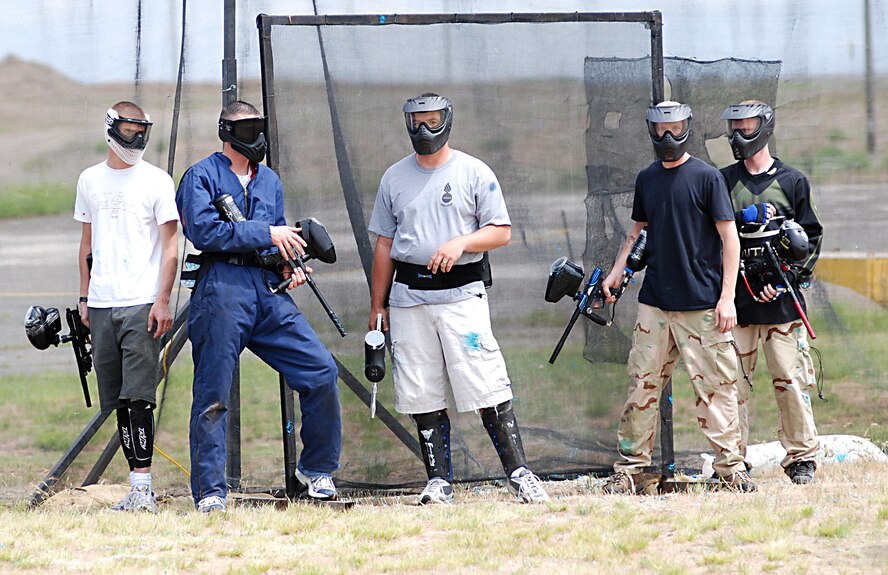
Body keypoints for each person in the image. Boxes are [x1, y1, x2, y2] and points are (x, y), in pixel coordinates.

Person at [368, 93, 549, 505]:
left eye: (432, 121)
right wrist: (377, 305)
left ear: (447, 121)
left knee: (486, 383)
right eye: (415, 122)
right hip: (408, 298)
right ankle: (439, 480)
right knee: (421, 390)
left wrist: (461, 243)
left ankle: (520, 473)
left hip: (462, 296)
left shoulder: (473, 171)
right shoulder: (393, 178)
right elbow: (384, 244)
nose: (423, 130)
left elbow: (500, 230)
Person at [176, 100, 342, 513]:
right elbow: (204, 231)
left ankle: (314, 471)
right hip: (221, 289)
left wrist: (291, 264)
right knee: (213, 393)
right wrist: (266, 233)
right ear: (227, 132)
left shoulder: (269, 181)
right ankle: (212, 492)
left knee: (321, 371)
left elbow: (275, 240)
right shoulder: (200, 176)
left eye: (260, 127)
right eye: (248, 129)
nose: (258, 137)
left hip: (267, 291)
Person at [600, 101, 756, 494]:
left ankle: (731, 468)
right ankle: (631, 470)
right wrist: (618, 271)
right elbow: (637, 231)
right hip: (655, 304)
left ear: (687, 127)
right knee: (642, 387)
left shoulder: (706, 177)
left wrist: (727, 299)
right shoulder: (647, 179)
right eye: (661, 129)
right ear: (651, 132)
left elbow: (729, 238)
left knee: (717, 389)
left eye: (676, 128)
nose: (668, 136)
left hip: (702, 305)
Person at [74, 101, 179, 512]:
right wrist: (84, 297)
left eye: (142, 131)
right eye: (129, 130)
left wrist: (163, 298)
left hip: (141, 304)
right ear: (111, 129)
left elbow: (171, 244)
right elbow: (86, 244)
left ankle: (143, 488)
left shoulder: (156, 181)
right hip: (101, 304)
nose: (135, 138)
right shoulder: (89, 180)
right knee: (118, 399)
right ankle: (136, 488)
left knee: (140, 398)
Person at [720, 101, 822, 484]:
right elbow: (714, 238)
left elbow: (810, 239)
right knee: (730, 385)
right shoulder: (723, 180)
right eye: (733, 127)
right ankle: (732, 460)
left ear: (764, 128)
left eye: (745, 127)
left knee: (791, 380)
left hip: (782, 306)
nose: (737, 136)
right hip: (737, 305)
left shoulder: (792, 181)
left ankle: (802, 457)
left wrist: (785, 280)